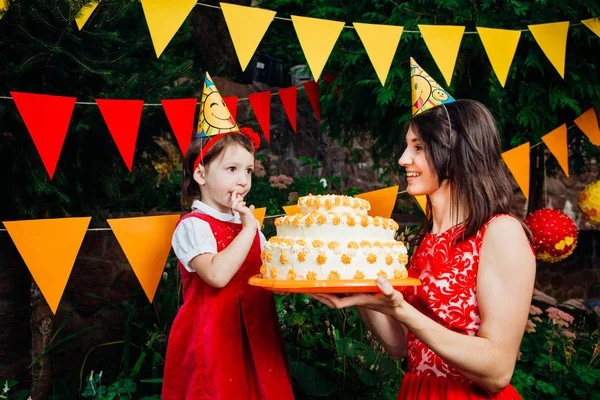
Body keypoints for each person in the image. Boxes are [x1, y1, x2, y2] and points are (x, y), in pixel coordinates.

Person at [309, 62, 536, 399]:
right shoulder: (426, 241)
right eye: (407, 146)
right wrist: (354, 286)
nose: (403, 159)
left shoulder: (500, 233)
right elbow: (399, 346)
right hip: (417, 390)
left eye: (417, 147)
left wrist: (402, 310)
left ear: (455, 153)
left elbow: (498, 371)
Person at [162, 73, 294, 400]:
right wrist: (250, 228)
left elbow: (271, 271)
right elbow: (217, 275)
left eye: (248, 170)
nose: (243, 180)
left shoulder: (245, 223)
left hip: (256, 336)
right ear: (201, 173)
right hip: (214, 342)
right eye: (231, 169)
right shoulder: (193, 226)